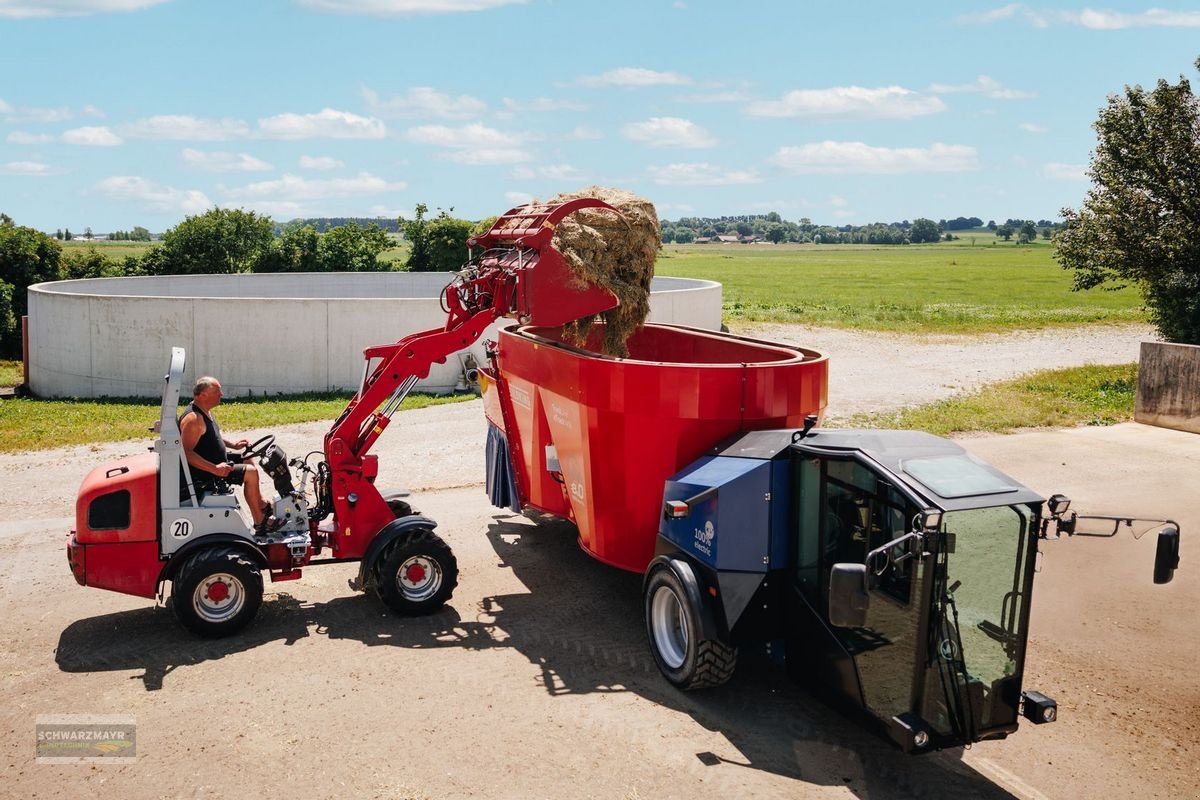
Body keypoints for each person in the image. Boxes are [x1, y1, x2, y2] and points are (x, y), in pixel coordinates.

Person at [180, 376, 282, 533]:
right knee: (251, 473)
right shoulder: (194, 419)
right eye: (217, 391)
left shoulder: (205, 411)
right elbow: (186, 453)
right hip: (204, 472)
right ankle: (259, 521)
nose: (221, 394)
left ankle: (260, 502)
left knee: (246, 456)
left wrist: (233, 445)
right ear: (203, 395)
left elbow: (214, 435)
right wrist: (214, 468)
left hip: (215, 463)